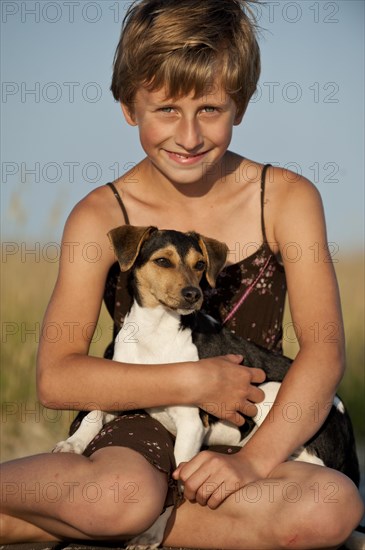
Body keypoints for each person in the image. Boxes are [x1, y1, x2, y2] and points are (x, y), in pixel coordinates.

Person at [1, 0, 363, 547]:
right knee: (123, 493)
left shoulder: (286, 199)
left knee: (331, 506)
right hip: (138, 425)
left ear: (239, 104)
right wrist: (192, 381)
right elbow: (57, 378)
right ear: (129, 106)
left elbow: (325, 351)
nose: (189, 136)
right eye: (166, 109)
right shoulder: (101, 216)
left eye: (210, 109)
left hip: (248, 428)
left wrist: (253, 465)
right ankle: (122, 512)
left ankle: (88, 526)